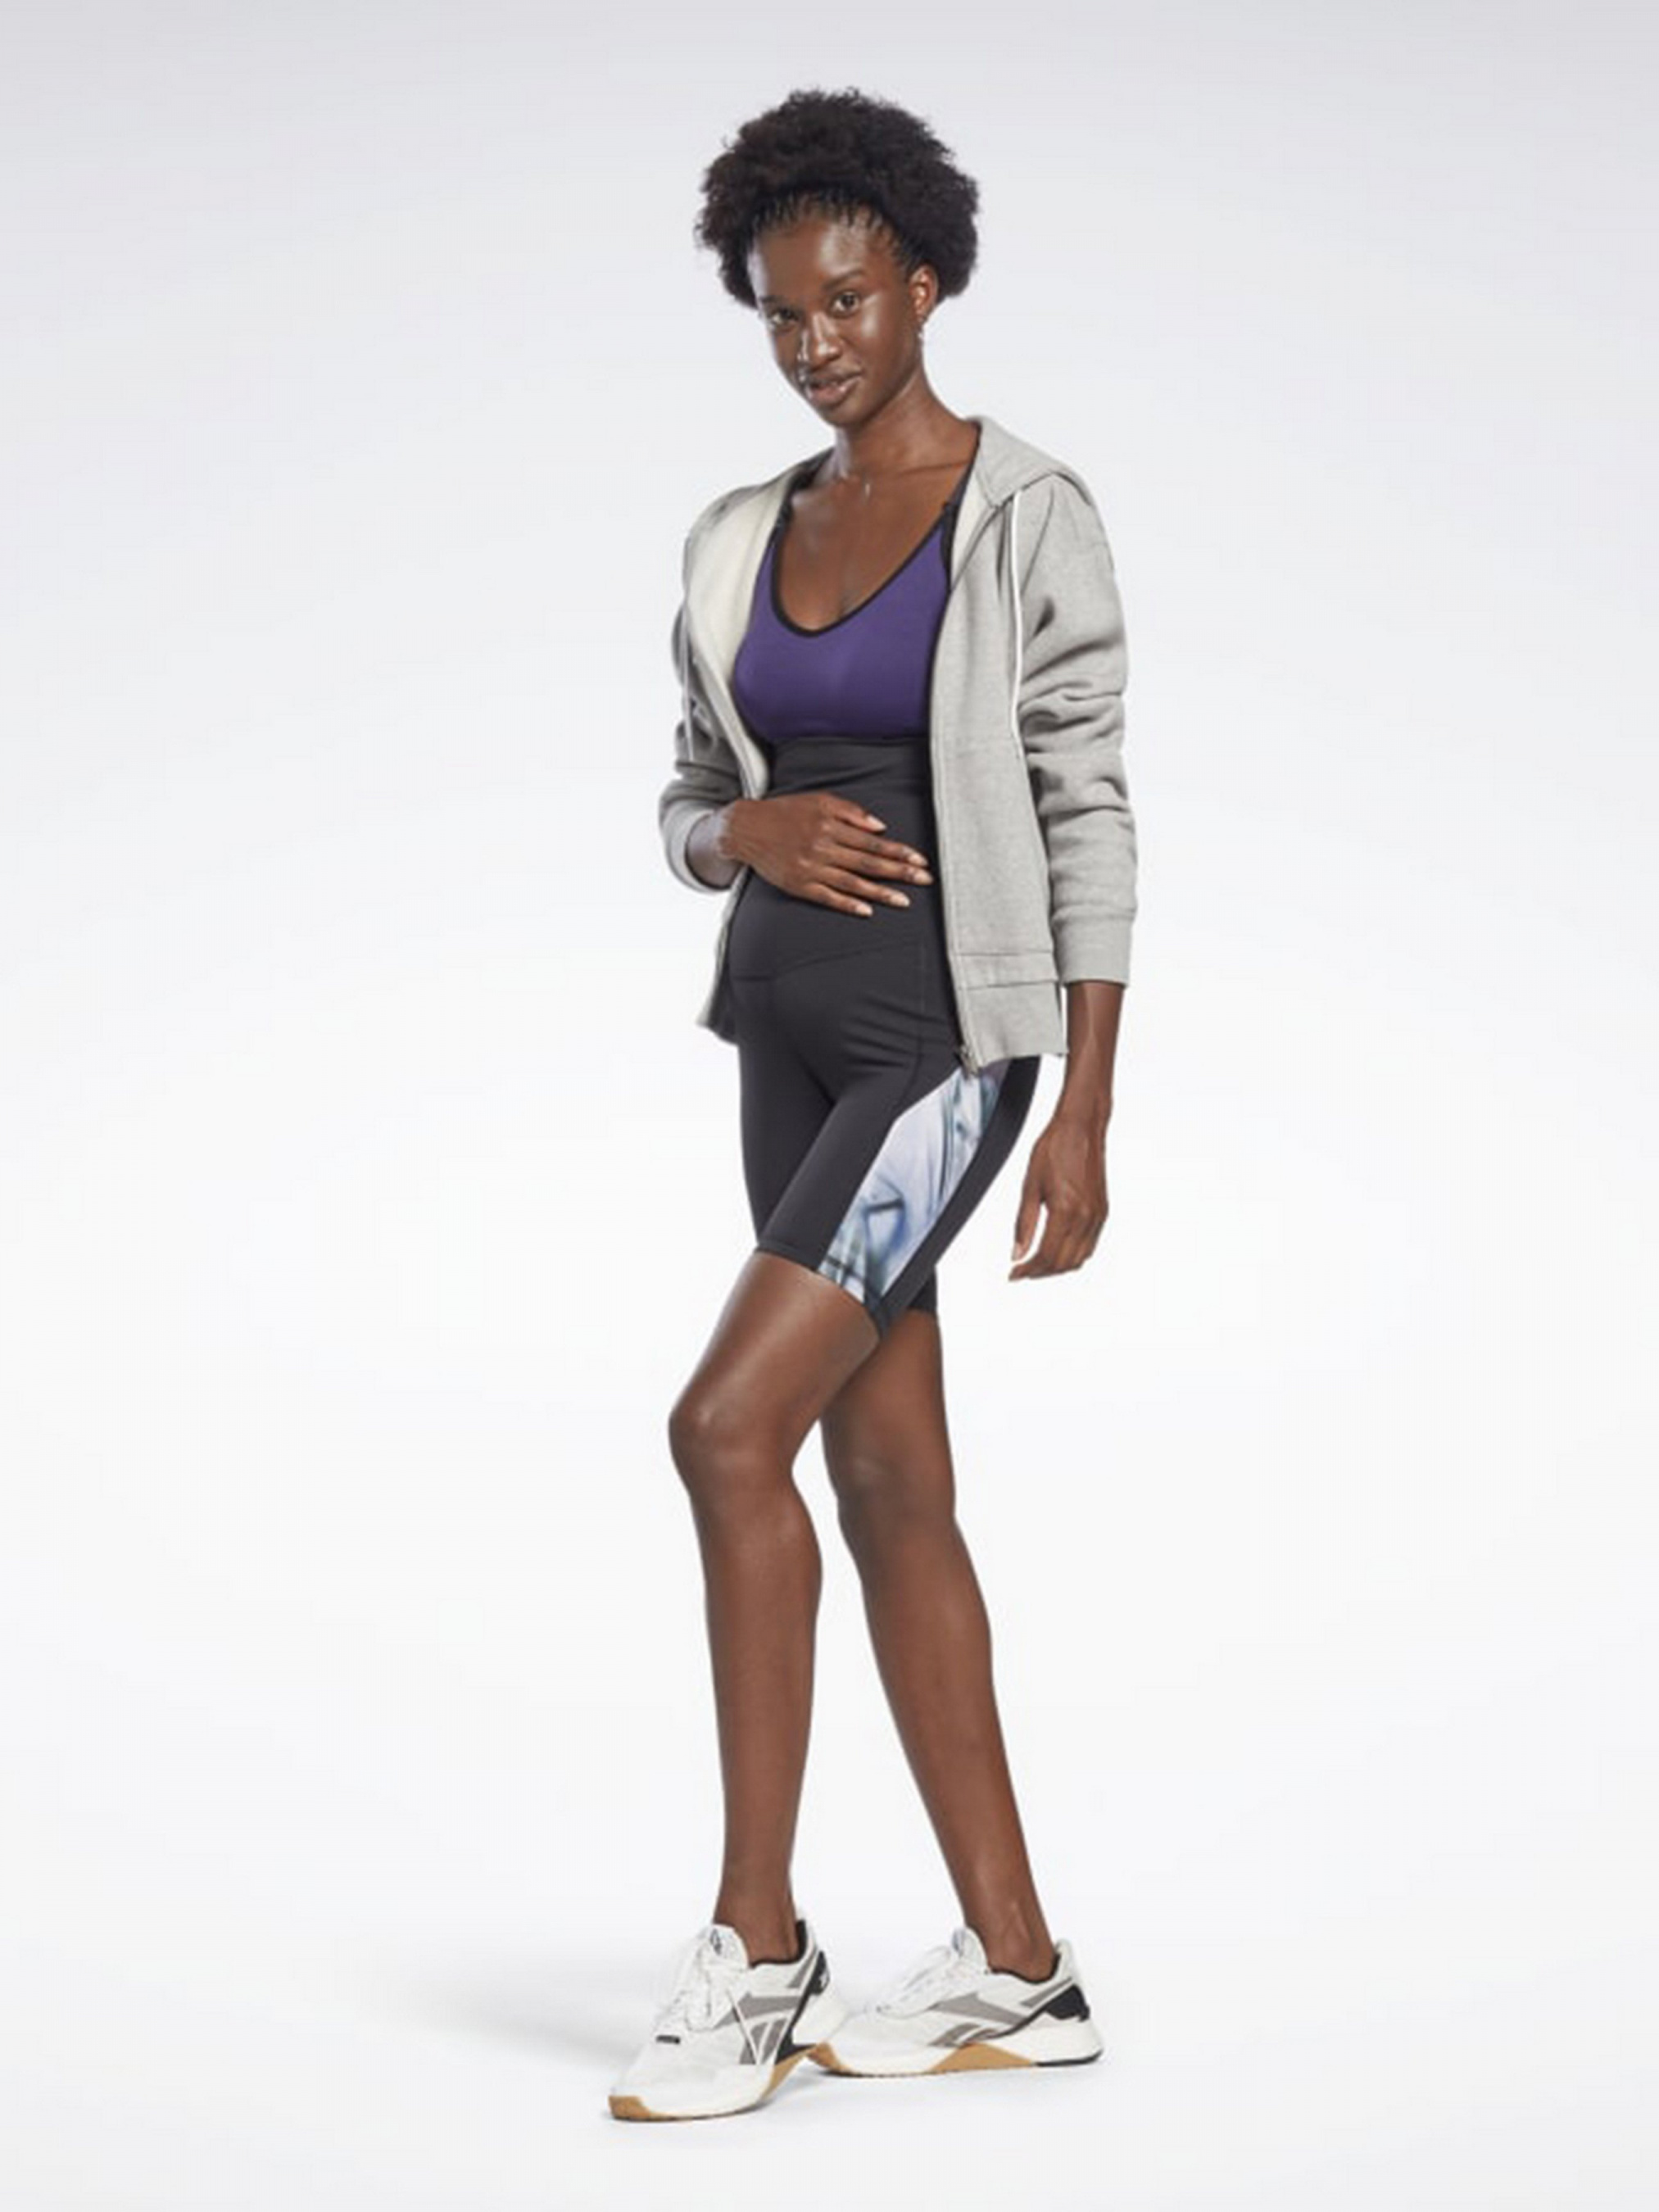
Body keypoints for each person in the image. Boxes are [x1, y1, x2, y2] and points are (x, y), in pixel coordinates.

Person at [610, 86, 1138, 2124]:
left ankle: (756, 1945)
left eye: (844, 297)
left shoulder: (1023, 512)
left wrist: (1079, 1104)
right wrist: (731, 832)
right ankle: (1018, 1965)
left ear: (921, 279)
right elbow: (688, 794)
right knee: (886, 1478)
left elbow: (1084, 809)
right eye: (779, 311)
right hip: (784, 1035)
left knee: (721, 1429)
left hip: (939, 1049)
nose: (815, 339)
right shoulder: (739, 533)